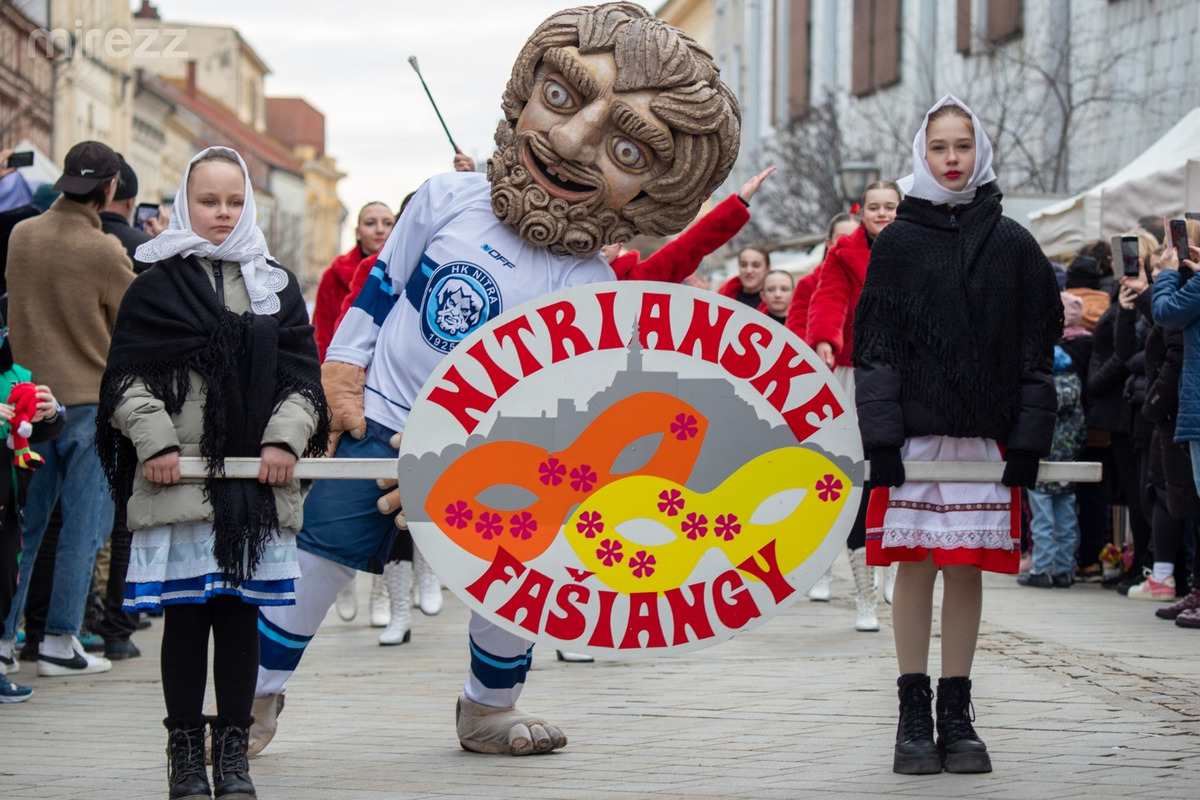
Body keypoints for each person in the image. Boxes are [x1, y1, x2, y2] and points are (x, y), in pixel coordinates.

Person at [250, 2, 740, 760]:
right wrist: (342, 374)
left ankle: (488, 708)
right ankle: (252, 698)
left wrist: (466, 460)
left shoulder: (591, 287)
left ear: (654, 193)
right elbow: (380, 289)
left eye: (628, 150)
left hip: (493, 458)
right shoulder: (444, 200)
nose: (571, 142)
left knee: (514, 578)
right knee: (318, 558)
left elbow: (563, 402)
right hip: (381, 423)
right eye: (561, 97)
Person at [96, 146, 328, 799]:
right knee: (186, 619)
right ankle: (184, 754)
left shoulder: (275, 286)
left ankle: (232, 754)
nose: (222, 213)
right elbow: (125, 380)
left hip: (254, 484)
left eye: (234, 201)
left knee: (238, 617)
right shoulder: (154, 285)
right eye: (208, 201)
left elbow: (302, 380)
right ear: (185, 203)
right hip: (179, 481)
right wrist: (156, 442)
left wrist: (283, 440)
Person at [853, 95, 1061, 775]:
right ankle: (912, 713)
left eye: (962, 146)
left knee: (965, 567)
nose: (951, 159)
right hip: (916, 440)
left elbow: (1036, 350)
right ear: (923, 152)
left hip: (982, 439)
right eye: (939, 147)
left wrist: (1028, 441)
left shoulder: (1014, 243)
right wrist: (881, 441)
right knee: (915, 565)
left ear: (981, 151)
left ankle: (957, 711)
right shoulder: (898, 242)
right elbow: (876, 348)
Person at [1, 140, 136, 678]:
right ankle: (60, 640)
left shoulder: (21, 236)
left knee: (23, 528)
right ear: (110, 187)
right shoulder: (104, 251)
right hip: (85, 405)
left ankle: (5, 640)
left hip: (25, 405)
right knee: (83, 528)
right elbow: (133, 322)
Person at [806, 181, 903, 631]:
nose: (882, 214)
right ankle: (863, 589)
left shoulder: (918, 247)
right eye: (874, 207)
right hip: (854, 369)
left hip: (905, 373)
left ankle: (894, 568)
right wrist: (825, 338)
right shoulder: (844, 253)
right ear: (861, 212)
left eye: (890, 207)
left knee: (899, 472)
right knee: (852, 474)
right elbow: (827, 297)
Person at [97, 152, 154, 662]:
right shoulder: (142, 250)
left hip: (36, 398)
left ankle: (44, 627)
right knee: (123, 517)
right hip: (125, 394)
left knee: (49, 523)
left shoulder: (28, 236)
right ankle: (118, 623)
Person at [0, 312, 64, 702]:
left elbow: (37, 428)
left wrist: (52, 411)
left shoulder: (17, 375)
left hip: (8, 506)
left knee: (5, 584)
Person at [1016, 344, 1086, 588]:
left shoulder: (1040, 389)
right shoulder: (1075, 388)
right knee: (1067, 518)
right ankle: (1064, 570)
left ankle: (1042, 569)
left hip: (1043, 462)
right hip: (1067, 463)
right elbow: (1081, 429)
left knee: (1042, 520)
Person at [717, 246, 770, 310]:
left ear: (767, 269)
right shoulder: (721, 297)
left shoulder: (777, 301)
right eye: (743, 265)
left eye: (756, 265)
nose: (748, 271)